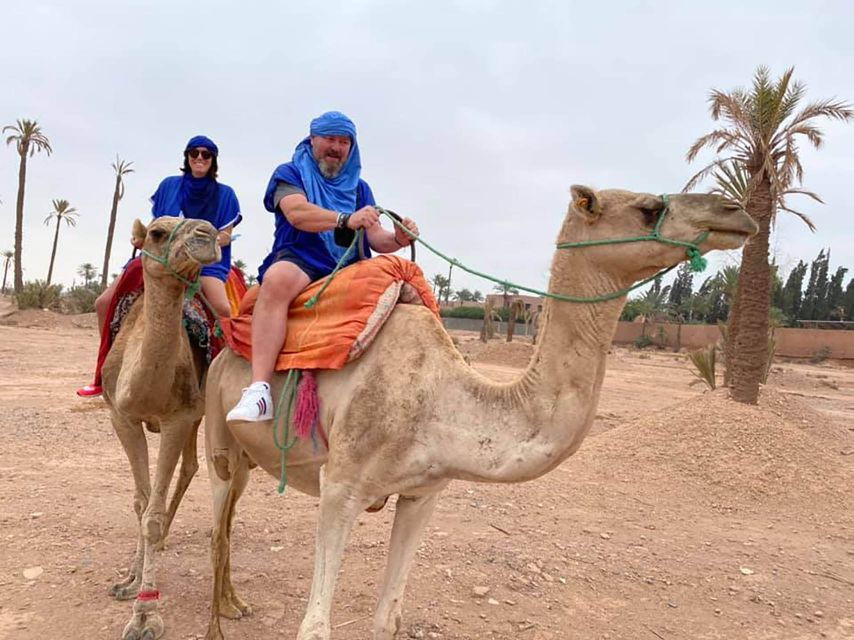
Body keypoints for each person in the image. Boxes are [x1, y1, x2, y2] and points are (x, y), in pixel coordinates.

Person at [225, 111, 418, 422]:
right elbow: (298, 213)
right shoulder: (289, 174)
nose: (336, 147)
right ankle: (259, 390)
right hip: (302, 257)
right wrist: (344, 219)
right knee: (276, 281)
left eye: (344, 142)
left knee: (400, 291)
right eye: (330, 139)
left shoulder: (359, 189)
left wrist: (398, 237)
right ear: (313, 139)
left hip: (349, 265)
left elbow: (377, 239)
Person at [76, 135, 241, 397]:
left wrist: (199, 245)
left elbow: (225, 235)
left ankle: (223, 382)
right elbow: (158, 228)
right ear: (186, 158)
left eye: (206, 155)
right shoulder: (169, 186)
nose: (199, 158)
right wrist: (143, 239)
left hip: (203, 263)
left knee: (223, 309)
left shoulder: (226, 194)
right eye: (194, 153)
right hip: (162, 258)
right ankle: (105, 373)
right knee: (104, 303)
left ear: (213, 160)